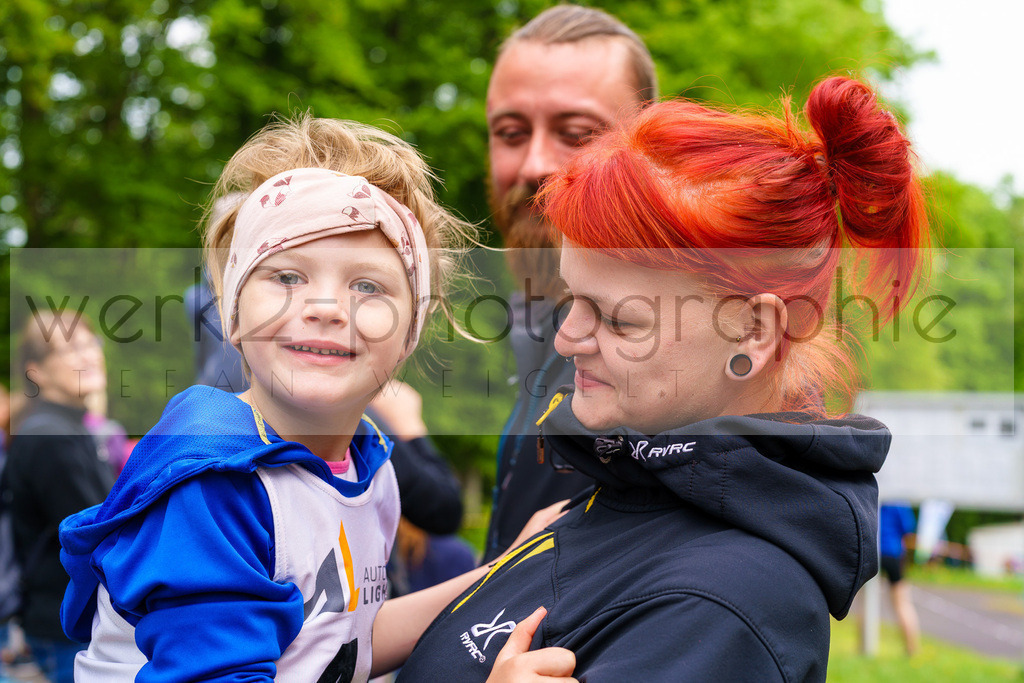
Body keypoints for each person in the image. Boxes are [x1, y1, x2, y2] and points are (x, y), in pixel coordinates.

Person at [398, 76, 929, 680]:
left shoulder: (718, 609)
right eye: (571, 298)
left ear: (752, 333)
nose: (568, 337)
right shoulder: (627, 487)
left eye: (620, 319)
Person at [58, 115, 563, 682]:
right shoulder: (215, 485)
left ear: (409, 333)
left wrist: (505, 568)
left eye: (368, 286)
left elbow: (343, 641)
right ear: (233, 315)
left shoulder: (370, 465)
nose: (325, 305)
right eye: (287, 276)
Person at [484, 3, 658, 562]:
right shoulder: (537, 332)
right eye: (510, 132)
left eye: (576, 133)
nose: (534, 163)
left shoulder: (681, 358)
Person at [5, 311, 116, 683]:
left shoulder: (63, 426)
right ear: (36, 371)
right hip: (70, 624)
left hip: (66, 619)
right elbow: (100, 533)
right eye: (70, 350)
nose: (88, 356)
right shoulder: (52, 436)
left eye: (90, 344)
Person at [879, 502, 921, 655]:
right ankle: (912, 649)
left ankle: (863, 645)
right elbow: (908, 529)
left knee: (865, 602)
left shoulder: (866, 486)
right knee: (902, 601)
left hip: (871, 551)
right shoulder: (898, 498)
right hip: (893, 553)